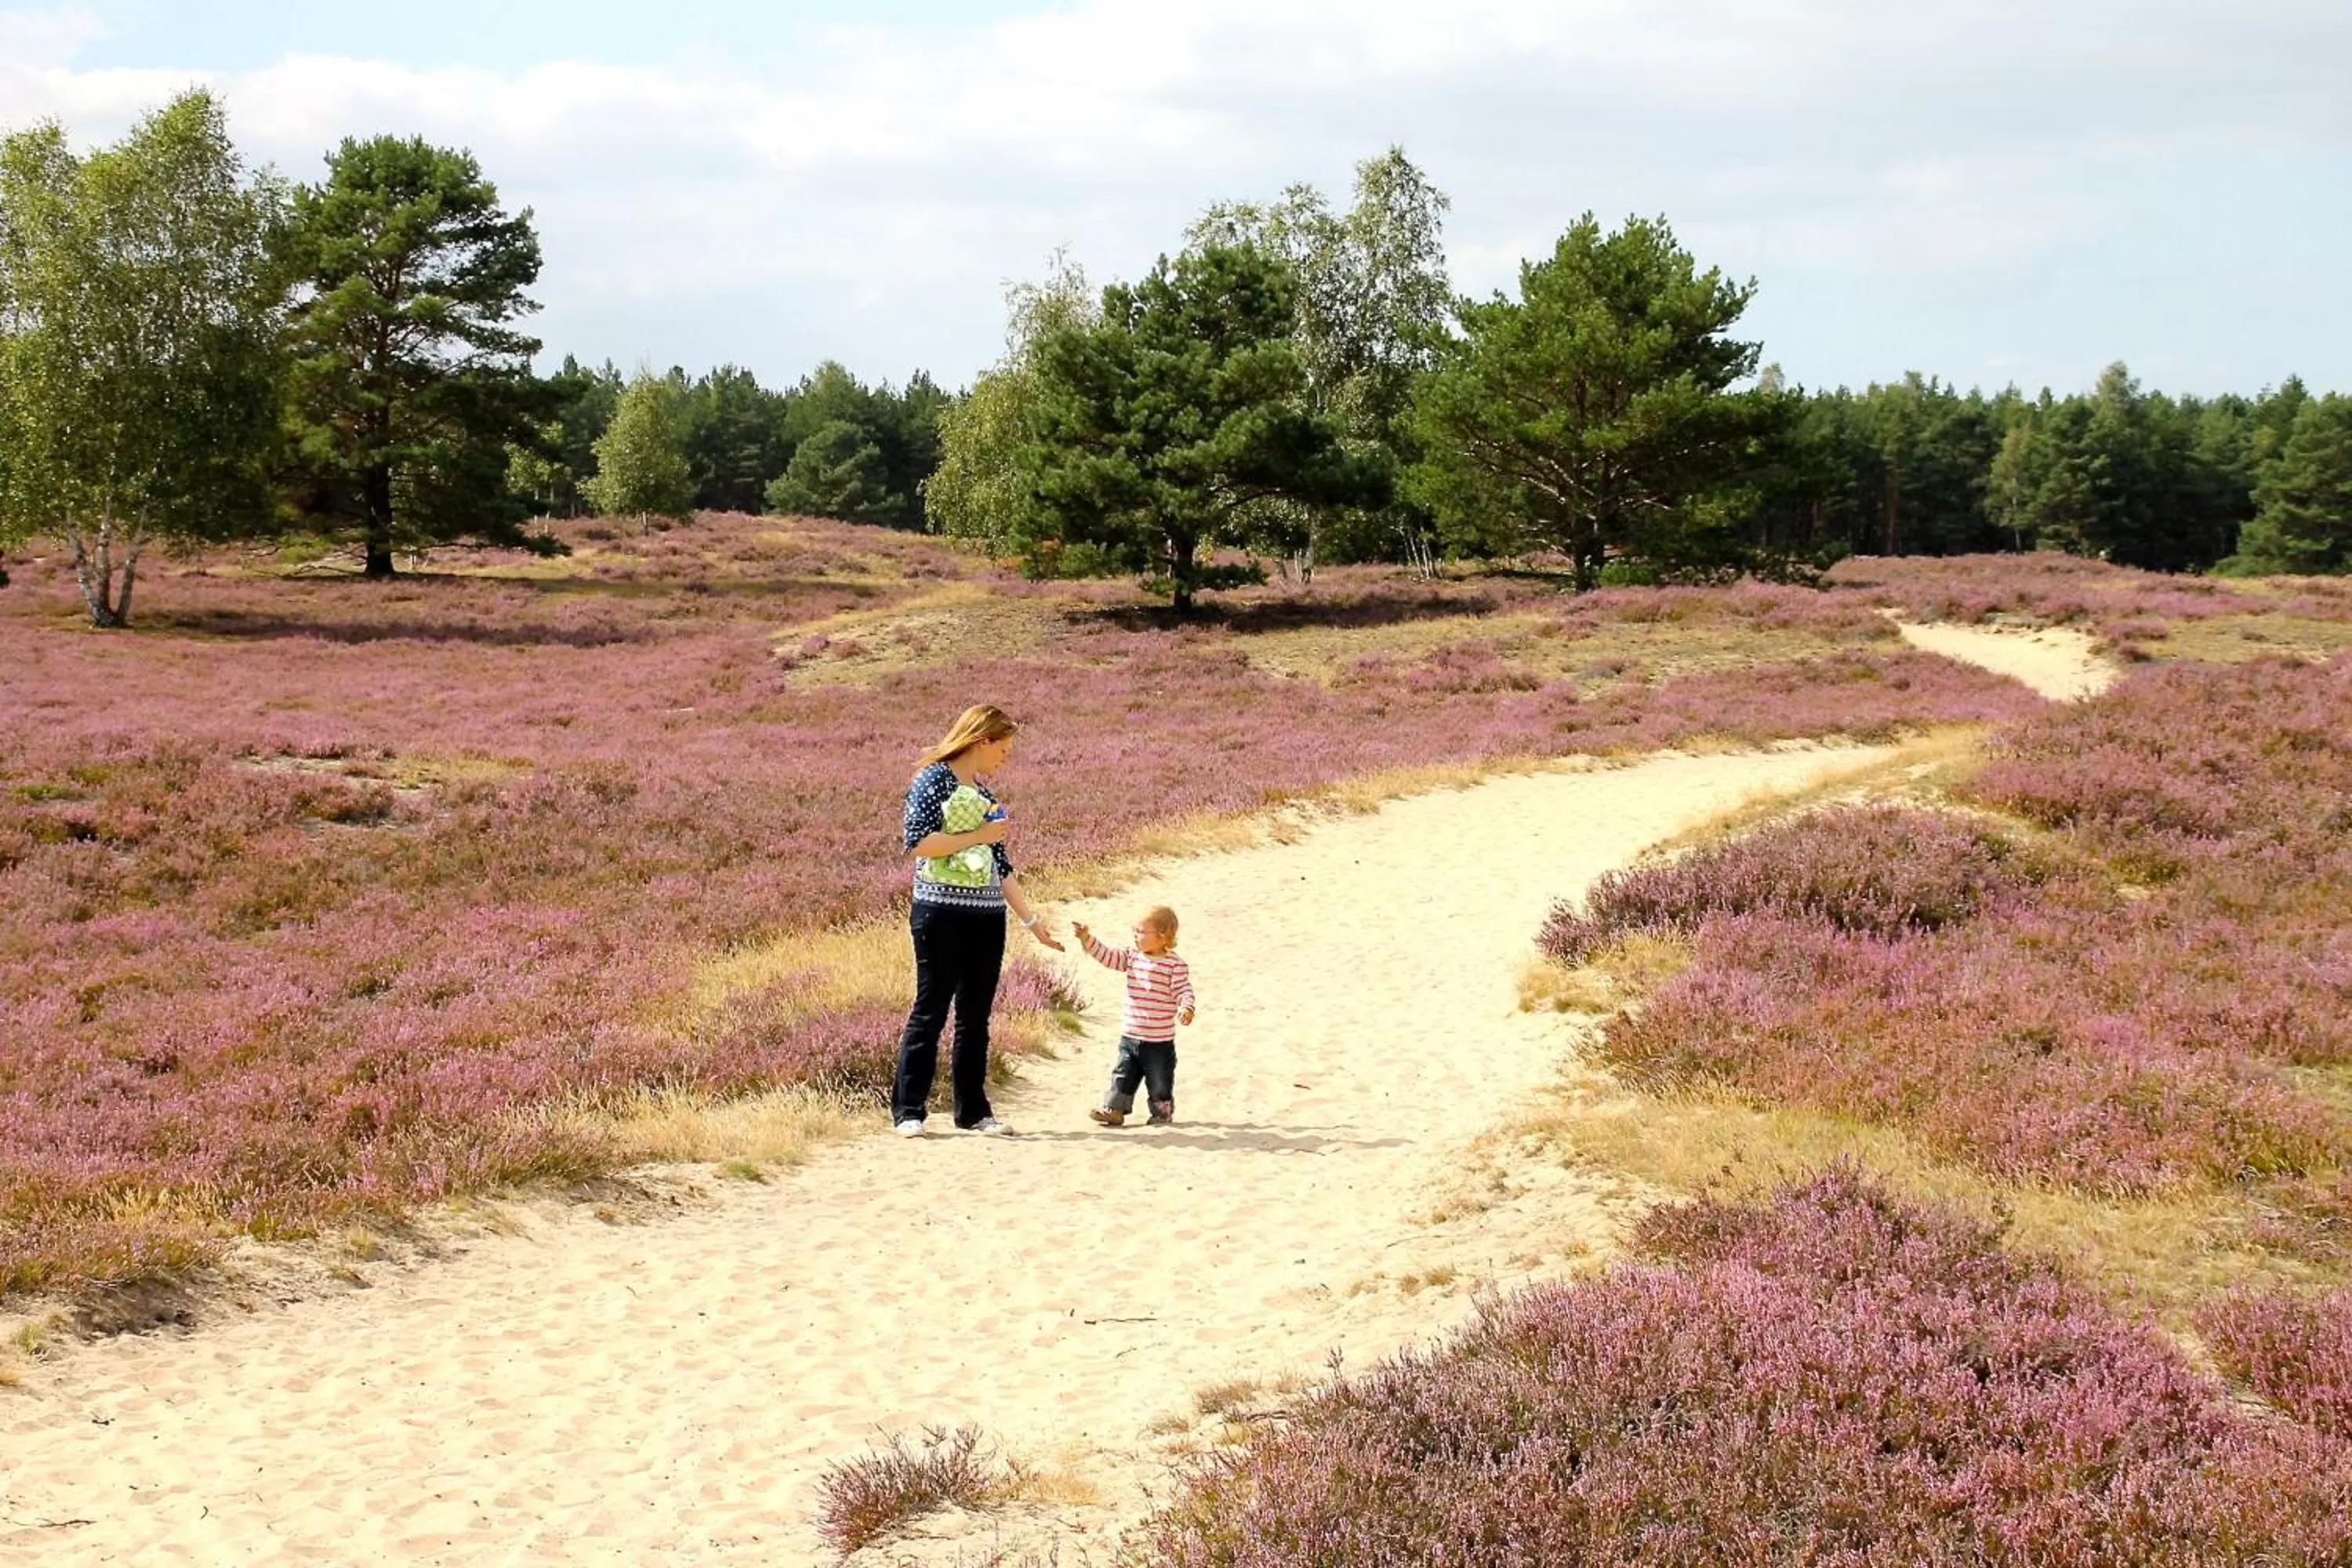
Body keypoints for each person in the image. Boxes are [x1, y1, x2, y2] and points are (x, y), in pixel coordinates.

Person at [895, 704, 1061, 1138]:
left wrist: (1032, 922)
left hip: (987, 918)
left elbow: (1000, 864)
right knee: (930, 1010)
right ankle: (909, 1109)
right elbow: (919, 845)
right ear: (981, 741)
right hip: (939, 912)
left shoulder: (986, 796)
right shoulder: (931, 781)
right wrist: (979, 836)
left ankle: (973, 1111)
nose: (1005, 758)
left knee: (975, 1016)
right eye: (1002, 749)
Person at [1076, 906, 1196, 1127]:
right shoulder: (1131, 957)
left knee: (1159, 1081)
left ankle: (1161, 1113)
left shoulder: (1174, 965)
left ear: (1162, 936)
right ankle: (1114, 1110)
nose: (1135, 935)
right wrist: (1087, 939)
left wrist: (1186, 1007)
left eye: (1140, 931)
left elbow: (1183, 990)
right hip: (1130, 1035)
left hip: (1159, 1041)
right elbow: (1108, 956)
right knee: (1122, 1075)